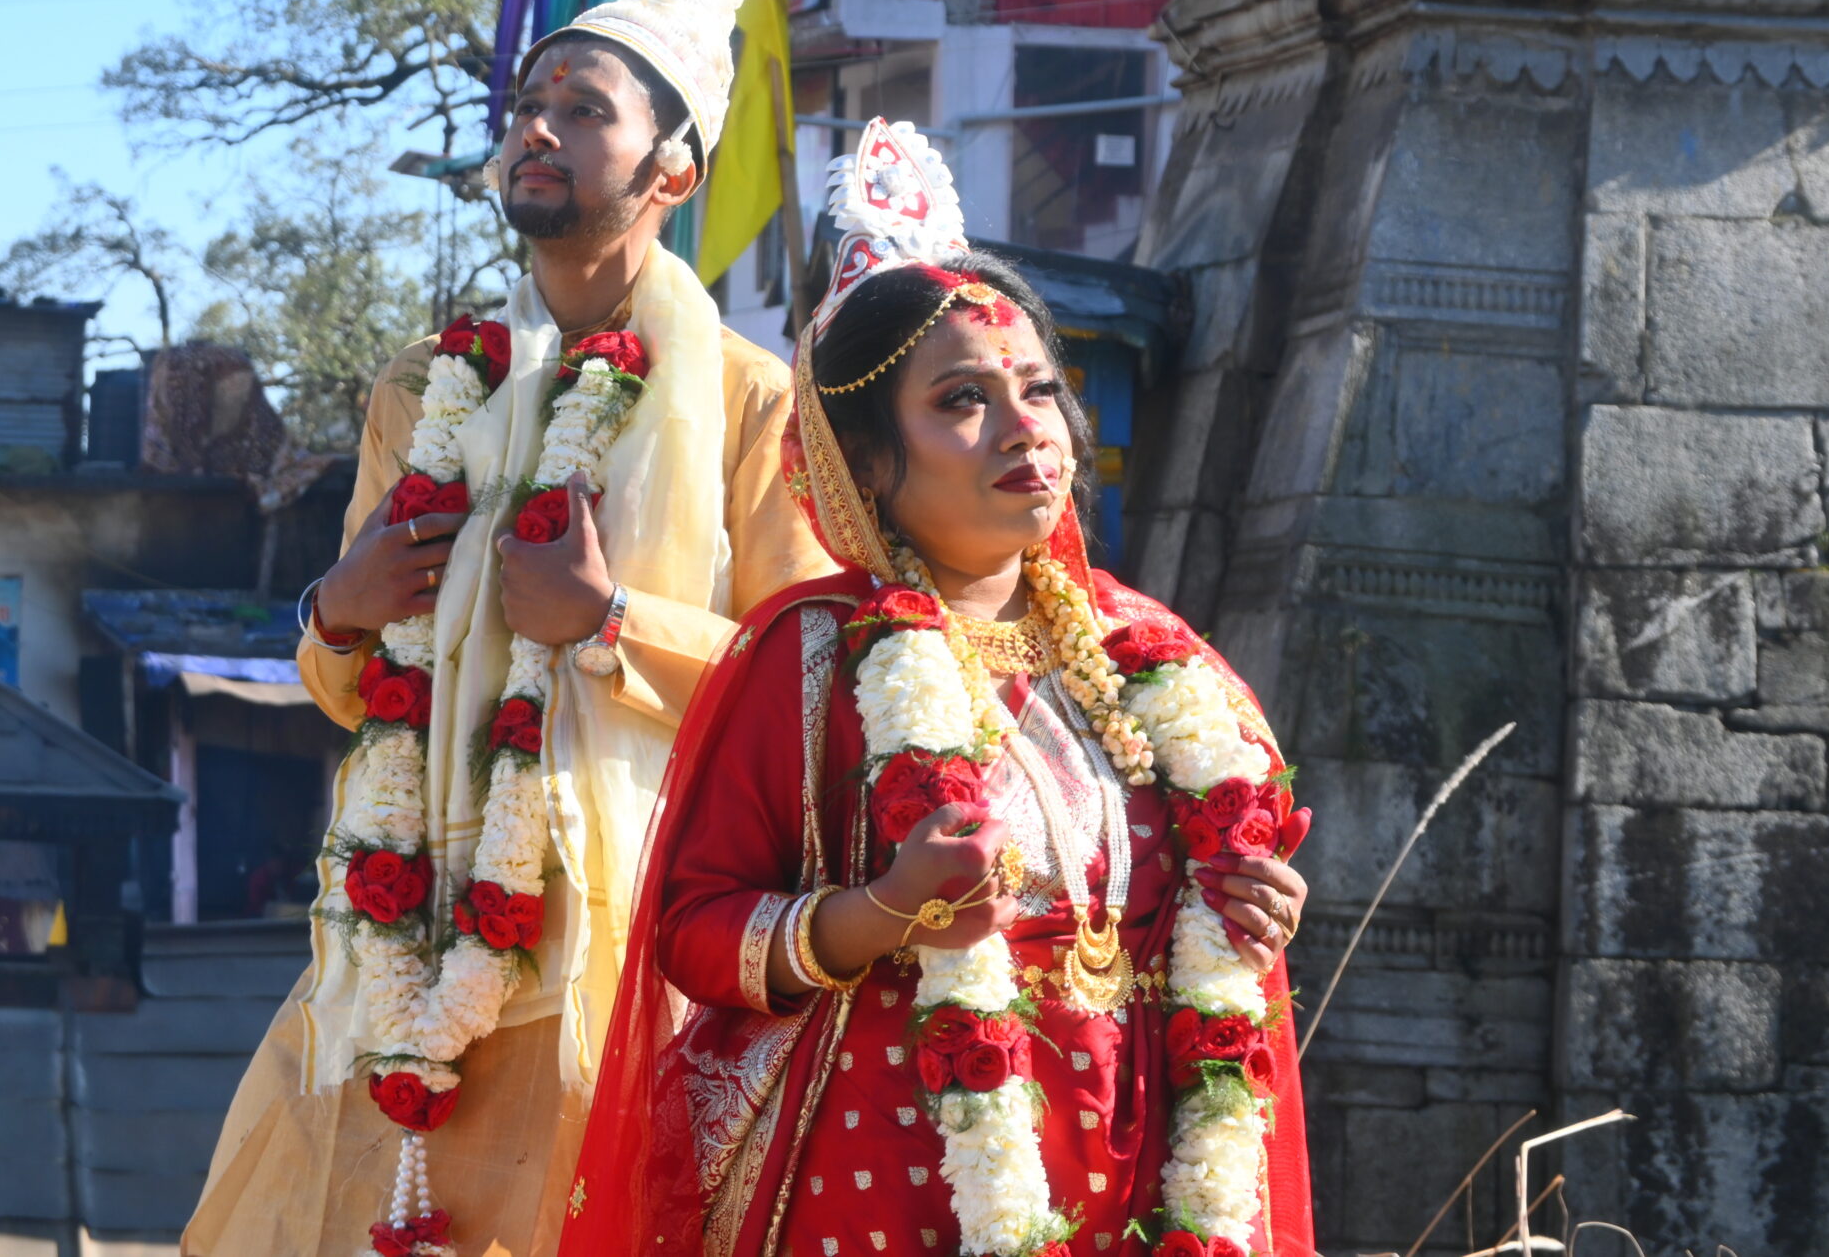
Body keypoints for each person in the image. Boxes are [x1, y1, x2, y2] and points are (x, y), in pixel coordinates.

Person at [559, 121, 1317, 1257]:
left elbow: (1207, 891)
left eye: (1039, 389)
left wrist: (1259, 908)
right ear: (864, 460)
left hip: (1132, 1158)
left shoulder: (1152, 656)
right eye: (963, 399)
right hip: (883, 1172)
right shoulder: (814, 654)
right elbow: (694, 930)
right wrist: (882, 910)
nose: (1025, 430)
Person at [184, 0, 835, 1257]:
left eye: (586, 109)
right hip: (400, 935)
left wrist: (609, 625)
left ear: (674, 172)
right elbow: (351, 692)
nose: (537, 128)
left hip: (617, 951)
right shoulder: (424, 387)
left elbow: (811, 682)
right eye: (530, 104)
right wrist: (338, 606)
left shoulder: (753, 400)